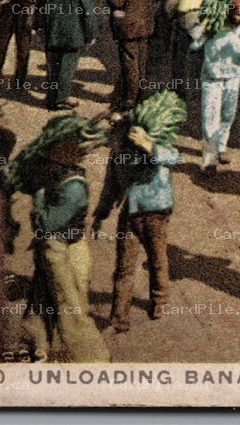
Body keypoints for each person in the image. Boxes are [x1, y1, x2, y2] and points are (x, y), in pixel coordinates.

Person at [23, 132, 110, 362]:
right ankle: (39, 343)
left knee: (70, 304)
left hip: (59, 246)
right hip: (60, 244)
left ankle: (92, 360)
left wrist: (39, 197)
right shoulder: (62, 178)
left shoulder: (72, 189)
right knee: (51, 295)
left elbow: (47, 223)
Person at [93, 107, 181, 331]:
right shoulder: (117, 156)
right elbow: (110, 186)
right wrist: (101, 213)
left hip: (155, 213)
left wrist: (150, 146)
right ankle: (119, 315)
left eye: (115, 134)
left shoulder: (149, 148)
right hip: (129, 213)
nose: (111, 140)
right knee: (124, 265)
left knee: (157, 259)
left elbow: (174, 157)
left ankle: (159, 300)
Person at [190, 0, 240, 173]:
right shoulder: (213, 25)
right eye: (238, 15)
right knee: (210, 116)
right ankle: (209, 159)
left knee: (228, 114)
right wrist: (203, 32)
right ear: (229, 13)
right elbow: (194, 46)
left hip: (233, 78)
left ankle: (221, 147)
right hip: (211, 77)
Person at [38, 0, 98, 110]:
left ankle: (51, 98)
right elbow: (88, 15)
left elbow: (40, 10)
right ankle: (61, 98)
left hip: (52, 33)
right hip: (74, 34)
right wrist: (91, 35)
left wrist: (37, 27)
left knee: (52, 67)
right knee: (67, 67)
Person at [107, 0, 155, 110]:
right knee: (141, 63)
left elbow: (119, 2)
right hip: (146, 25)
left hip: (129, 27)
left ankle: (130, 99)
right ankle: (141, 96)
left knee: (130, 64)